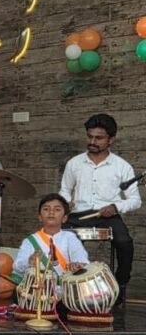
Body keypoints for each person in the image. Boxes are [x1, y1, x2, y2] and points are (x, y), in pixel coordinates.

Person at [59, 113, 140, 305]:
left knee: (125, 243)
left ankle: (120, 286)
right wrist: (65, 204)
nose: (92, 142)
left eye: (99, 138)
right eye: (90, 136)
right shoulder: (74, 163)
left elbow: (136, 200)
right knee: (60, 241)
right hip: (79, 214)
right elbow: (64, 190)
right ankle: (64, 287)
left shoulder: (122, 166)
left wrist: (115, 206)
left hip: (108, 216)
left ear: (111, 140)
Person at [14, 193, 88, 279]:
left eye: (57, 209)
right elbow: (17, 267)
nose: (51, 212)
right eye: (46, 209)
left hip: (65, 286)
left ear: (64, 218)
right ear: (40, 217)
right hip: (39, 286)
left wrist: (77, 265)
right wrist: (29, 262)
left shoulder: (70, 238)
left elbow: (82, 260)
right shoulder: (30, 241)